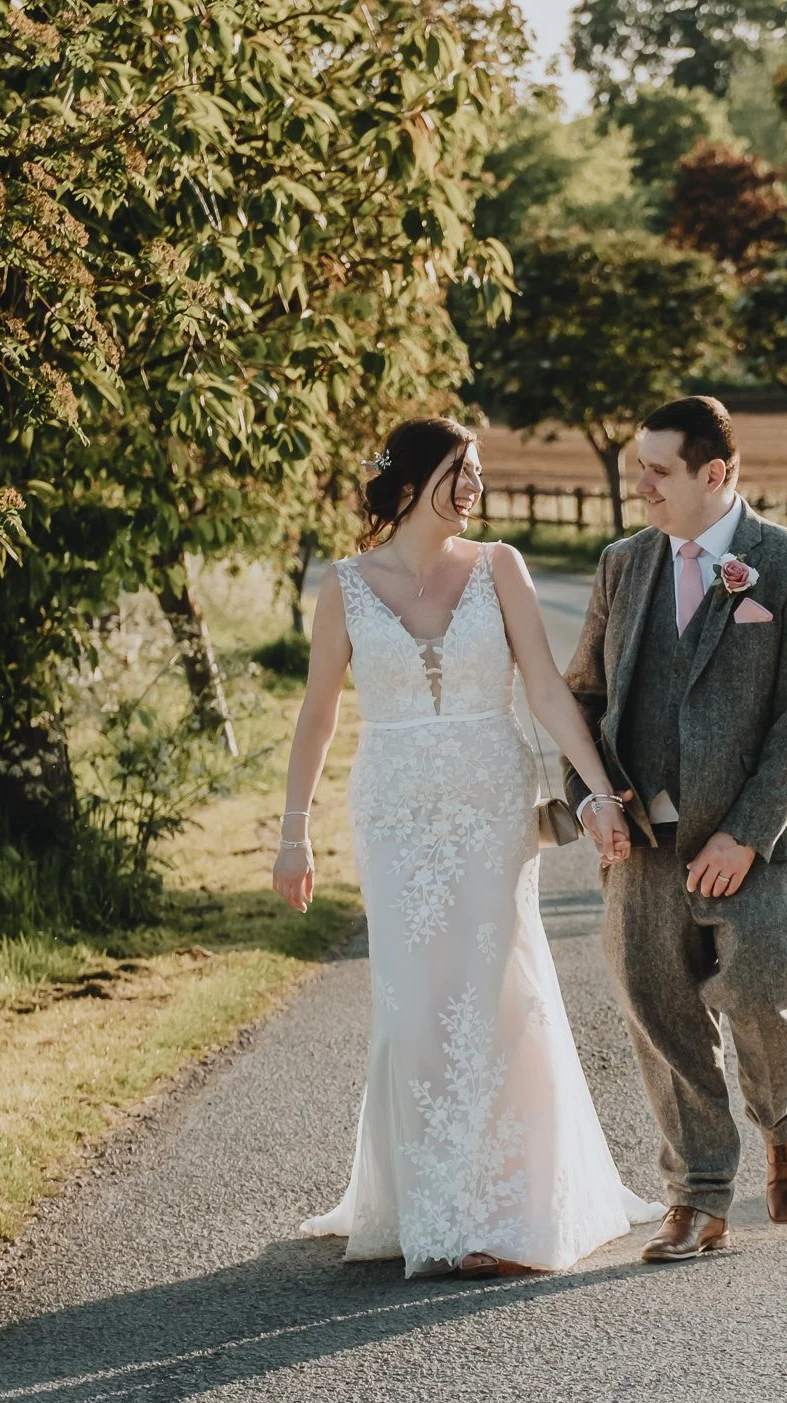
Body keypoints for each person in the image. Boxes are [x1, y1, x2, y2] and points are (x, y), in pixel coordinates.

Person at [273, 416, 661, 1278]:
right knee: (416, 999)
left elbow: (551, 693)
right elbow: (318, 717)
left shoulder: (500, 567)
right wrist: (293, 833)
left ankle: (508, 1206)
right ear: (411, 483)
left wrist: (596, 790)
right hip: (395, 813)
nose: (476, 484)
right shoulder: (343, 586)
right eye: (459, 469)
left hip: (492, 804)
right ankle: (433, 1204)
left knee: (495, 988)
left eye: (479, 469)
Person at [562, 396, 787, 1263]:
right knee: (660, 1014)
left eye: (658, 470)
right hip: (642, 842)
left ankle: (785, 1125)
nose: (638, 484)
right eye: (637, 466)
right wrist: (590, 797)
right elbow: (582, 699)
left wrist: (749, 833)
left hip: (754, 841)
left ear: (714, 473)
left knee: (762, 992)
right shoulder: (621, 566)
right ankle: (698, 1198)